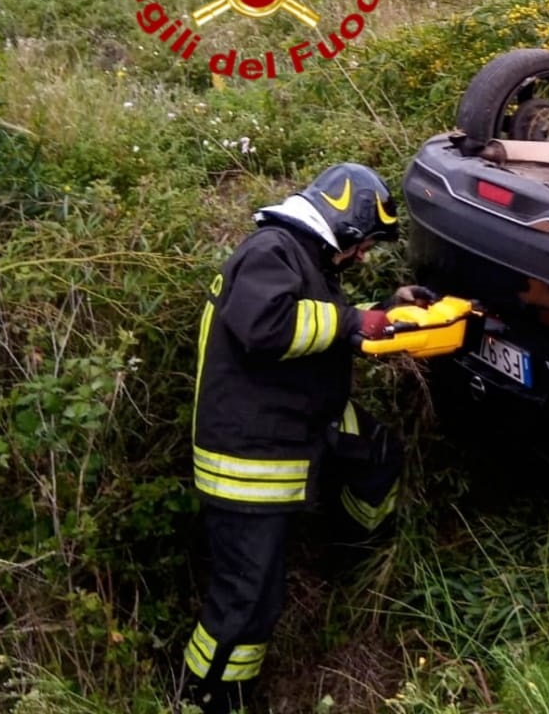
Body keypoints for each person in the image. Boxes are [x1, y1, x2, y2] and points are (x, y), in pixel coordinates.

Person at [178, 162, 434, 714]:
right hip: (248, 464)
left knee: (377, 452)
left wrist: (386, 314)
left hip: (288, 435)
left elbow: (324, 321)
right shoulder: (271, 250)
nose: (363, 255)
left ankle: (351, 558)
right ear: (343, 223)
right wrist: (350, 326)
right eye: (363, 243)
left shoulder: (297, 257)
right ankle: (205, 698)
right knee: (248, 604)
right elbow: (268, 327)